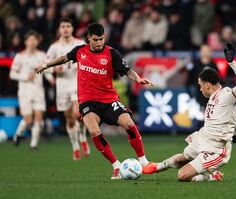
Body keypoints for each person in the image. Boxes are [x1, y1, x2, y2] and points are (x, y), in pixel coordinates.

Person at [35, 23, 153, 179]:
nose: (99, 43)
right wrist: (45, 65)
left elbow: (127, 70)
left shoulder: (112, 53)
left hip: (109, 100)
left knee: (130, 124)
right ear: (89, 38)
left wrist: (138, 79)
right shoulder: (80, 51)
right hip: (88, 102)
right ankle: (116, 166)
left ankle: (144, 162)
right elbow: (64, 58)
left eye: (102, 39)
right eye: (96, 40)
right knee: (94, 131)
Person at [143, 43, 236, 182]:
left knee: (182, 175)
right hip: (203, 138)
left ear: (207, 85)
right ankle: (157, 166)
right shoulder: (212, 98)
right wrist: (235, 133)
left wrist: (232, 62)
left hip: (216, 149)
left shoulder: (227, 95)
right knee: (182, 158)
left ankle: (211, 176)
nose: (200, 89)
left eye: (200, 86)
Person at [45, 17, 90, 160]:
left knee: (78, 114)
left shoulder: (80, 44)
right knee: (70, 120)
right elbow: (45, 66)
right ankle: (75, 146)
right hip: (62, 86)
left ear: (72, 28)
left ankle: (83, 136)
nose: (65, 29)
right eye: (63, 26)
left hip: (78, 84)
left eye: (68, 26)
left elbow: (89, 62)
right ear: (59, 29)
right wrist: (52, 73)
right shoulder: (54, 47)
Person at [10, 30, 52, 150]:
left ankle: (33, 144)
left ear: (37, 42)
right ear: (26, 42)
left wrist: (50, 78)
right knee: (28, 120)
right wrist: (24, 77)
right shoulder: (20, 56)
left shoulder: (41, 55)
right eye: (30, 40)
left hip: (38, 90)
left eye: (35, 40)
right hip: (25, 91)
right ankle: (18, 134)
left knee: (38, 117)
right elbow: (12, 74)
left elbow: (46, 70)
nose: (33, 42)